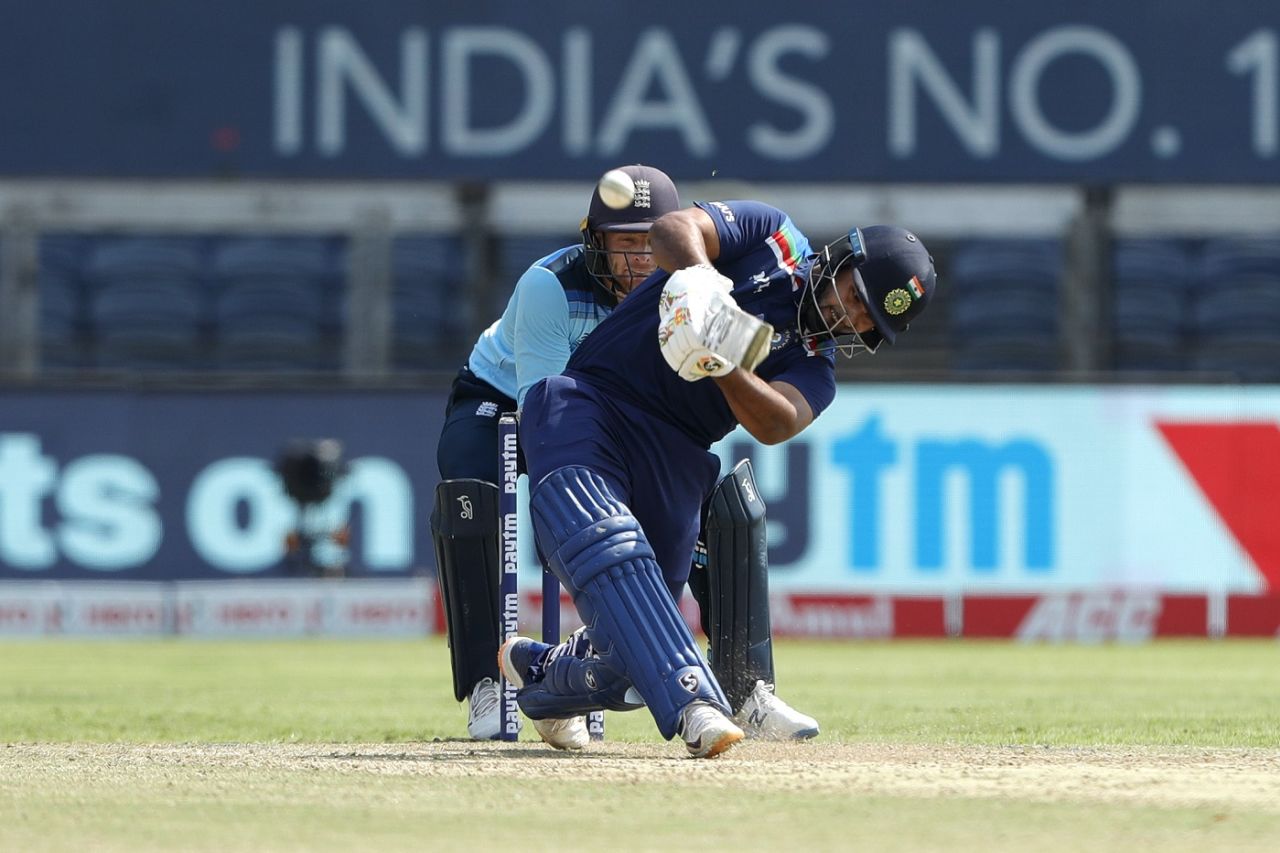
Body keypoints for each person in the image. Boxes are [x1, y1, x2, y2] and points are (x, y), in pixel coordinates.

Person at [500, 199, 937, 757]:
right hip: (592, 402)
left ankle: (540, 677)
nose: (847, 317)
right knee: (600, 534)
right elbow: (671, 229)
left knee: (626, 666)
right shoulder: (772, 238)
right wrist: (702, 283)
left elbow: (777, 421)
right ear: (839, 258)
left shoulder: (815, 368)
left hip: (677, 453)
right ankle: (694, 703)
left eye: (865, 321)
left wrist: (722, 357)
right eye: (853, 296)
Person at [430, 165, 680, 741]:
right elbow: (546, 411)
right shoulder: (550, 284)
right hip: (501, 396)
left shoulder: (685, 290)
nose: (638, 261)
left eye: (650, 244)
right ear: (594, 239)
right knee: (472, 498)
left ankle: (575, 675)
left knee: (683, 498)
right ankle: (488, 684)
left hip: (607, 407)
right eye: (623, 244)